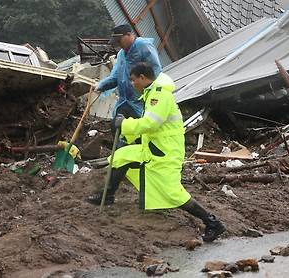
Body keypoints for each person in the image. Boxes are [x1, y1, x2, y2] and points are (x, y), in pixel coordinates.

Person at [88, 62, 226, 242]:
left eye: (133, 80)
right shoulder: (151, 93)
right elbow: (149, 126)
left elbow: (150, 124)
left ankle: (212, 222)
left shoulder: (159, 96)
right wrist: (128, 136)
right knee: (121, 156)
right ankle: (107, 196)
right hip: (153, 149)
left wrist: (124, 124)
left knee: (172, 193)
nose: (132, 84)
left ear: (143, 78)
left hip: (165, 152)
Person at [97, 24, 162, 119]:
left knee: (142, 127)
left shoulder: (143, 46)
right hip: (125, 101)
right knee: (117, 126)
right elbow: (115, 77)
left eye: (119, 41)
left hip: (141, 100)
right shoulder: (121, 54)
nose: (119, 44)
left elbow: (155, 70)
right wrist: (101, 85)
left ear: (128, 35)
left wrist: (148, 92)